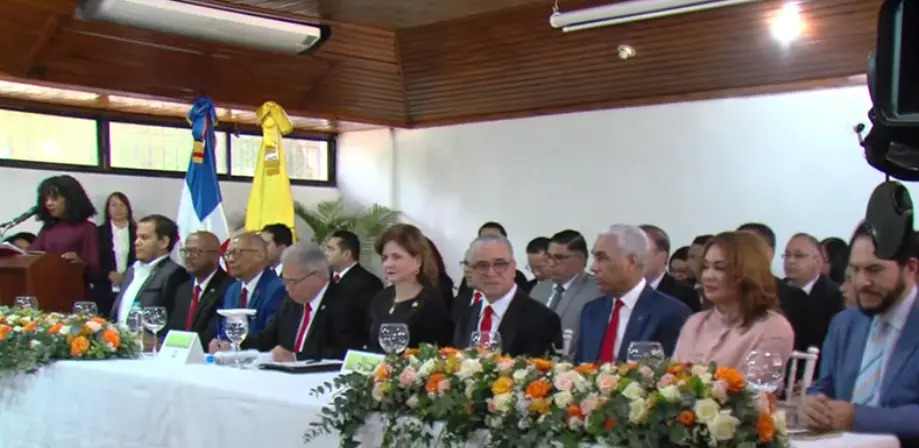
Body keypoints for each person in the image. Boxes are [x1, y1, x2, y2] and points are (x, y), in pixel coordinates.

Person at [803, 224, 919, 441]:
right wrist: (813, 404)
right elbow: (825, 385)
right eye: (855, 270)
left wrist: (858, 418)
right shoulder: (844, 323)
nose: (861, 282)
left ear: (911, 268)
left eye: (874, 270)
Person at [672, 231, 794, 370]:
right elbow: (674, 374)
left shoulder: (772, 327)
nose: (708, 276)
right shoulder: (695, 323)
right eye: (705, 267)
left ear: (747, 272)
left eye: (720, 268)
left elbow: (756, 383)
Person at [575, 224, 692, 364]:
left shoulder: (671, 313)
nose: (593, 267)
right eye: (594, 257)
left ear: (631, 261)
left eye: (602, 258)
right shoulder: (591, 311)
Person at [244, 242, 366, 360]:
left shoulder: (346, 304)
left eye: (292, 281)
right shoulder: (291, 303)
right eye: (285, 281)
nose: (287, 288)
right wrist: (238, 343)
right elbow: (268, 337)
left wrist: (296, 357)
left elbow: (344, 352)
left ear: (317, 277)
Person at [453, 234, 562, 357]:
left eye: (499, 264)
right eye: (482, 265)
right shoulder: (466, 314)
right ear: (470, 270)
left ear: (513, 268)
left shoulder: (542, 319)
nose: (491, 273)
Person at [367, 224, 452, 352]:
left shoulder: (430, 302)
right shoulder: (380, 298)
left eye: (396, 257)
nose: (388, 264)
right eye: (385, 258)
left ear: (418, 261)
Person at [29, 175, 100, 298]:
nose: (48, 203)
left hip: (73, 293)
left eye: (54, 199)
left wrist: (80, 262)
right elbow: (32, 255)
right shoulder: (48, 228)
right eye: (46, 199)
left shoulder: (87, 228)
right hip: (46, 292)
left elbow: (95, 271)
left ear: (70, 199)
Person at [167, 232, 232, 344]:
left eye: (196, 251)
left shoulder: (228, 287)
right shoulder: (183, 289)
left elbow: (214, 332)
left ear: (216, 255)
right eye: (186, 251)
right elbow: (174, 328)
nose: (188, 256)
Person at [326, 229, 383, 344]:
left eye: (331, 249)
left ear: (346, 254)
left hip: (349, 348)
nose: (325, 253)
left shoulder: (369, 282)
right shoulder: (324, 278)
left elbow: (368, 324)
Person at [95, 192, 136, 317]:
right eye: (114, 205)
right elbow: (94, 260)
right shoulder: (98, 232)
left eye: (122, 205)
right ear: (108, 209)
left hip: (131, 286)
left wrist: (126, 276)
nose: (118, 209)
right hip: (105, 287)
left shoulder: (137, 232)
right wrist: (108, 274)